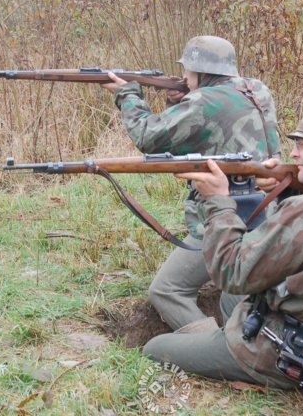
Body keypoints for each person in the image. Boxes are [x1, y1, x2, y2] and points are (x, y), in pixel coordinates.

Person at [142, 106, 303, 387]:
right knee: (229, 301)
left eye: (302, 145)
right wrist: (287, 189)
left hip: (288, 354)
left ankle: (224, 350)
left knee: (155, 348)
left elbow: (231, 273)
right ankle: (220, 341)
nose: (293, 154)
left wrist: (218, 201)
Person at [101, 36, 281, 330]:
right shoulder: (256, 89)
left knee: (166, 291)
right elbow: (208, 126)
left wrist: (127, 95)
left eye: (187, 69)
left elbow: (149, 137)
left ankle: (212, 345)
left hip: (226, 213)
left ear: (200, 70)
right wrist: (180, 101)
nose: (183, 75)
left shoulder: (201, 101)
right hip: (269, 209)